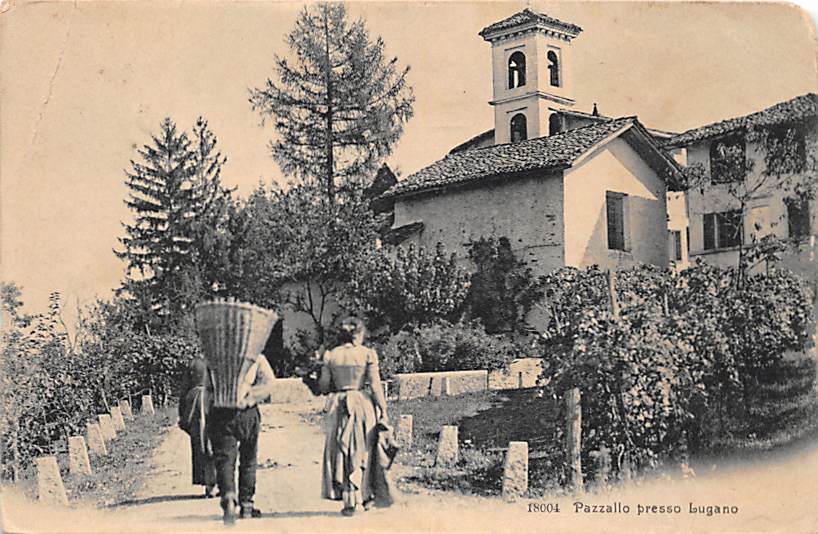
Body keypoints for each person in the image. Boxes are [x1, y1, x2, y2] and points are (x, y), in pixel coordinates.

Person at [319, 317, 395, 516]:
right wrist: (383, 410)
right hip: (361, 403)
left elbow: (324, 387)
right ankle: (366, 496)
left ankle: (348, 500)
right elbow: (375, 385)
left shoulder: (331, 355)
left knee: (341, 450)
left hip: (338, 404)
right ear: (359, 335)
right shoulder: (367, 354)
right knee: (364, 449)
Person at [207, 353, 276, 524]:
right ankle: (246, 504)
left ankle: (228, 497)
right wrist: (250, 397)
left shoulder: (214, 353)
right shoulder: (255, 356)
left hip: (221, 411)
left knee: (224, 459)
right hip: (246, 412)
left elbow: (207, 389)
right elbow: (270, 382)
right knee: (249, 458)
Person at [178, 356, 217, 498]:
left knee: (201, 443)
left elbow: (183, 390)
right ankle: (217, 483)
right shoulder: (219, 359)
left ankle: (209, 484)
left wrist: (182, 414)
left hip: (196, 403)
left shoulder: (194, 362)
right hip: (212, 401)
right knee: (214, 441)